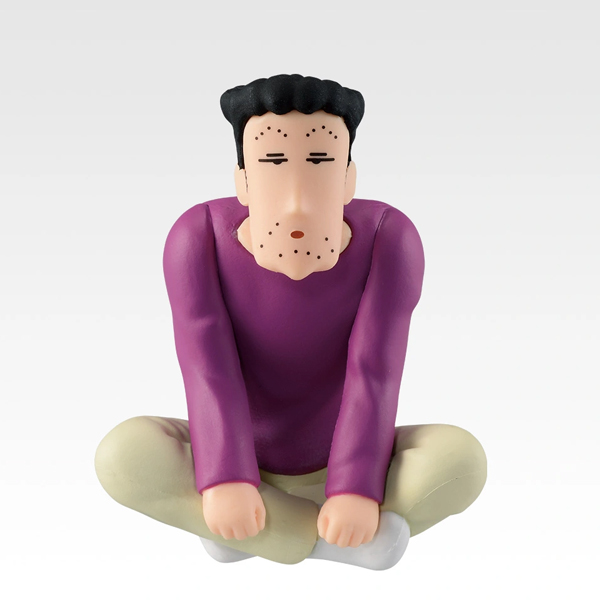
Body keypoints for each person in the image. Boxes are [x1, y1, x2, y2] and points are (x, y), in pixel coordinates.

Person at [95, 74, 487, 570]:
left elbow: (374, 369)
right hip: (239, 460)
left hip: (355, 461)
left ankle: (262, 534)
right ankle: (342, 543)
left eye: (320, 160)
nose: (297, 199)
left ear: (348, 178)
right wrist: (226, 478)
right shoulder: (198, 236)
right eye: (274, 161)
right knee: (122, 455)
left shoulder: (390, 237)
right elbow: (207, 368)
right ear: (242, 180)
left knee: (462, 459)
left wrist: (356, 488)